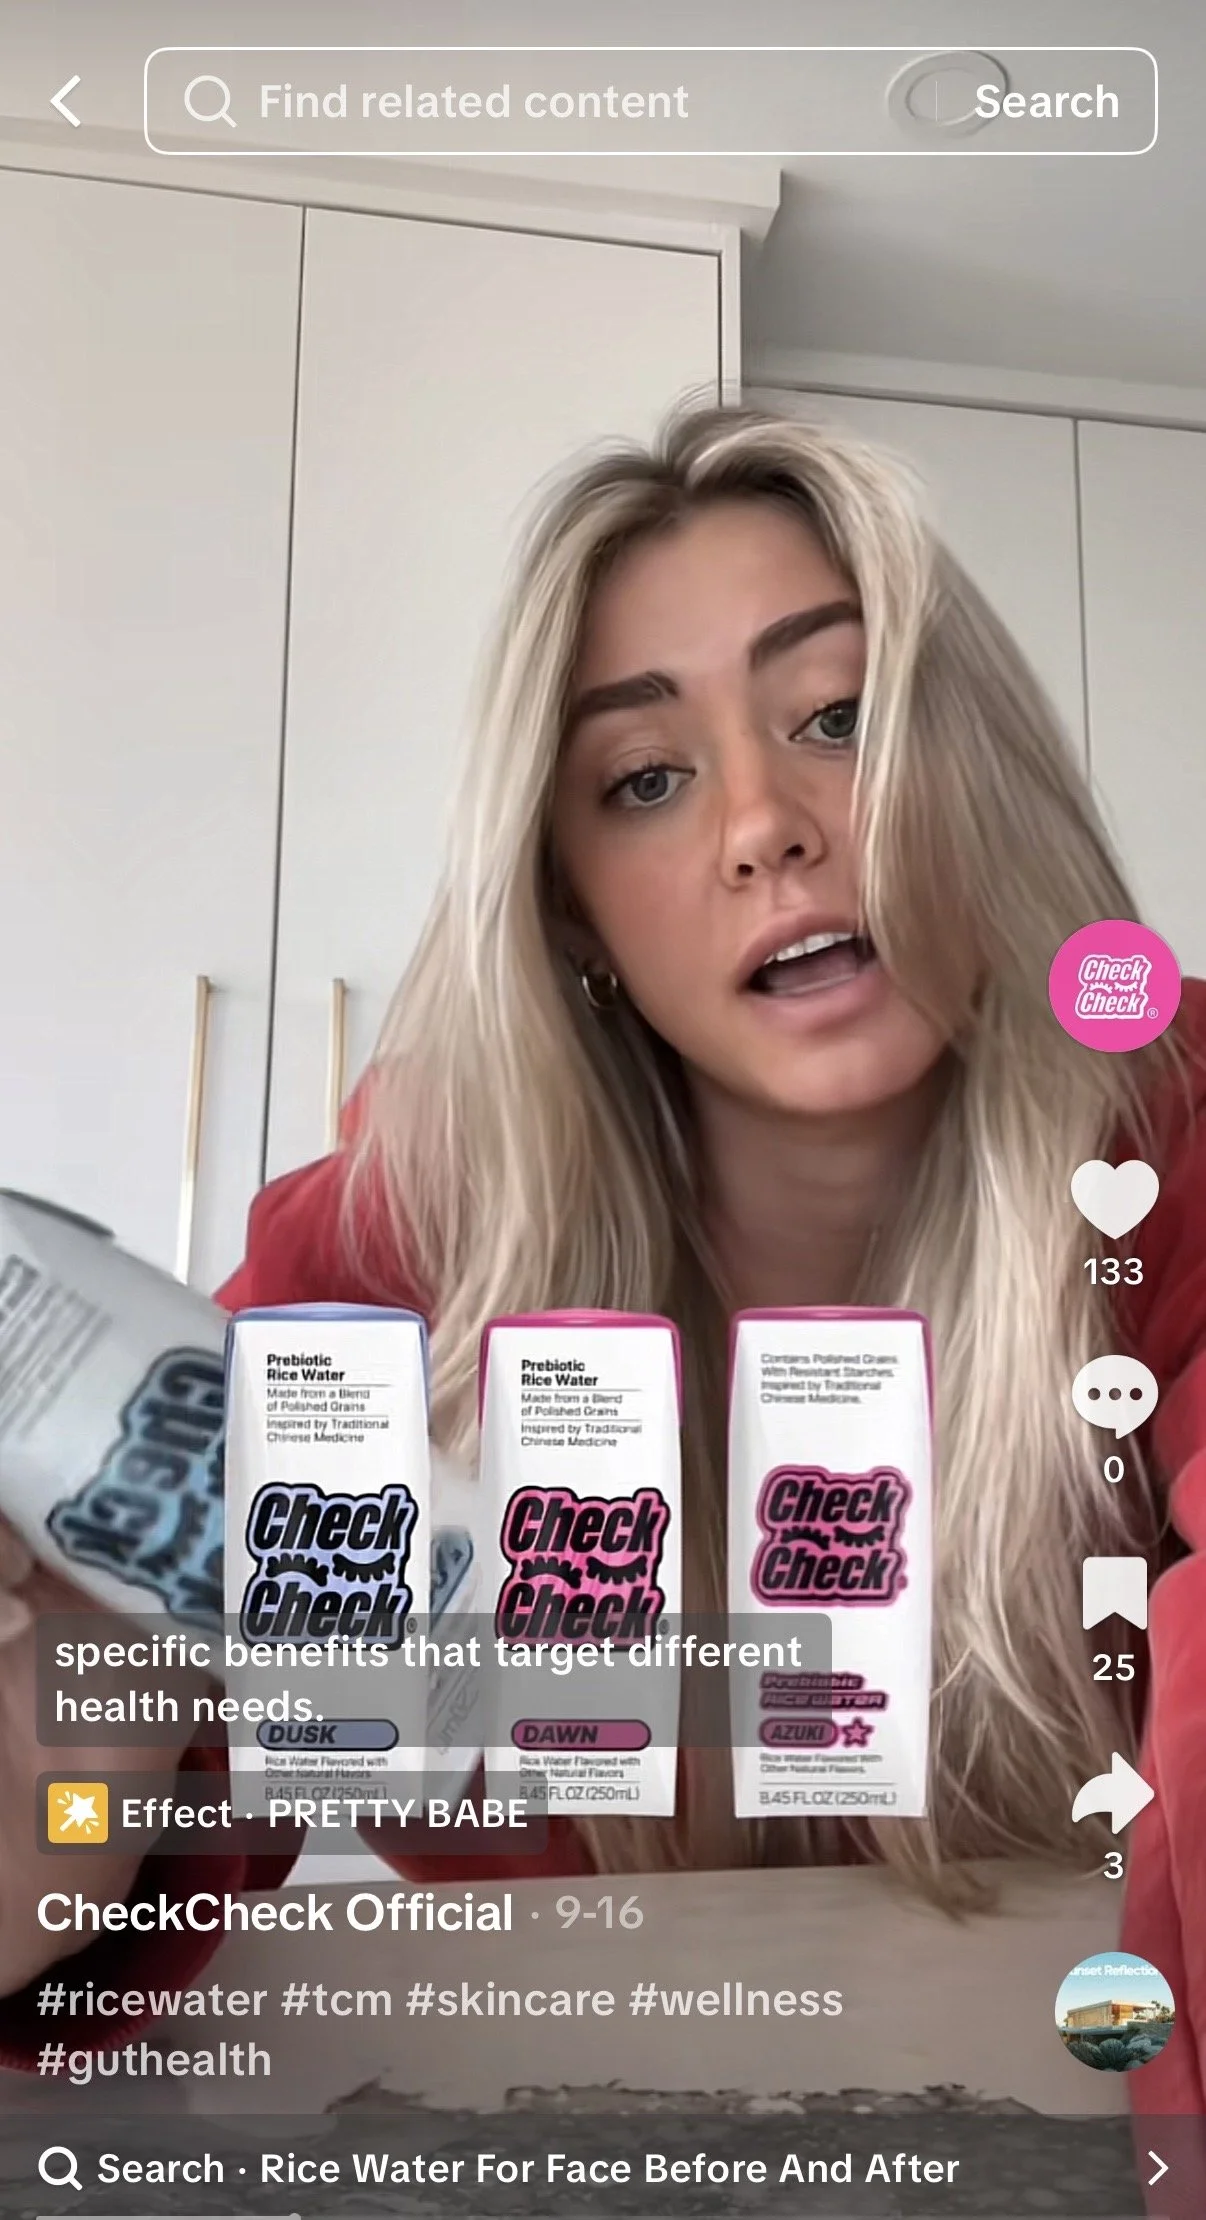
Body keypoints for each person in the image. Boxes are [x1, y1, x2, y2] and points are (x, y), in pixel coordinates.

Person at [2, 406, 1205, 2113]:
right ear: (567, 904)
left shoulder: (1172, 1146)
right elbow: (185, 1765)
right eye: (645, 779)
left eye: (840, 716)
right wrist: (80, 1830)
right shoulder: (387, 1250)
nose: (762, 826)